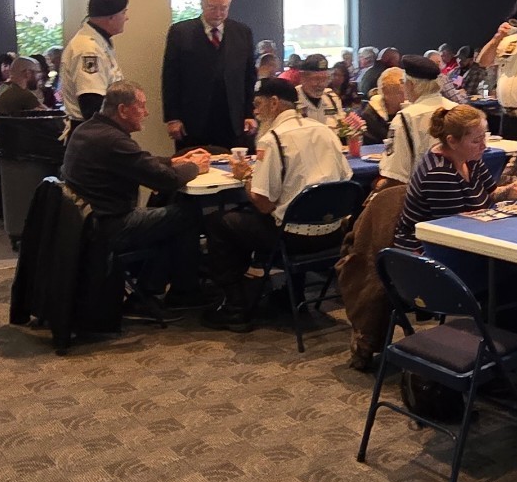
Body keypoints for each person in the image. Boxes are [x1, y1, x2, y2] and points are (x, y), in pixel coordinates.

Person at [203, 76, 352, 332]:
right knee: (288, 211)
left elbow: (262, 203)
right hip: (333, 235)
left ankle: (235, 307)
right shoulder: (325, 131)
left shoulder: (273, 140)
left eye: (258, 104)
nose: (255, 111)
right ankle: (291, 295)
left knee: (220, 222)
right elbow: (346, 179)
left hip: (292, 239)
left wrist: (246, 176)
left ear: (274, 103)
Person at [62, 81, 210, 306]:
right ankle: (182, 292)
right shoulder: (113, 140)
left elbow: (138, 162)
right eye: (141, 106)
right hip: (109, 226)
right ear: (122, 110)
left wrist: (173, 161)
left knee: (167, 212)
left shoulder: (87, 129)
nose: (146, 112)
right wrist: (195, 166)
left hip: (86, 223)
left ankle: (150, 287)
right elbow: (167, 180)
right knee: (187, 214)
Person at [394, 105, 517, 251]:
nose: (484, 146)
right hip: (426, 251)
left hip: (460, 241)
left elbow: (492, 193)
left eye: (484, 137)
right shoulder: (440, 174)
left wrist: (514, 189)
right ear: (452, 141)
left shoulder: (469, 157)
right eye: (476, 141)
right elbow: (457, 229)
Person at [162, 0, 257, 151]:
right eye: (213, 8)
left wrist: (250, 113)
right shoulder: (180, 32)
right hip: (192, 118)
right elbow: (170, 77)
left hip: (233, 118)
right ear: (202, 5)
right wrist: (173, 118)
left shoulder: (242, 32)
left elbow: (249, 77)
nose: (218, 13)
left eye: (223, 8)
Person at [377, 55, 455, 189]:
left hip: (421, 199)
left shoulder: (406, 118)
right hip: (460, 192)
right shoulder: (457, 109)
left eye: (403, 82)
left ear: (411, 85)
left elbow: (396, 175)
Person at [60, 0, 127, 124]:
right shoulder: (88, 50)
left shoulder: (100, 42)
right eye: (123, 12)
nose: (126, 18)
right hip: (92, 131)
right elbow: (91, 104)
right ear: (110, 17)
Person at [0, 56, 44, 148]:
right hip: (2, 151)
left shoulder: (1, 88)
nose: (39, 76)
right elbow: (50, 116)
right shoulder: (23, 94)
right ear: (27, 73)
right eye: (37, 72)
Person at [295, 54, 343, 130]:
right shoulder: (292, 100)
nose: (321, 84)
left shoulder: (332, 98)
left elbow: (341, 126)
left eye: (325, 79)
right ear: (303, 78)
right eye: (316, 79)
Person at [362, 66, 405, 145]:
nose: (406, 97)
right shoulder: (370, 115)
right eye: (401, 93)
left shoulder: (410, 110)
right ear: (386, 93)